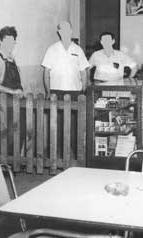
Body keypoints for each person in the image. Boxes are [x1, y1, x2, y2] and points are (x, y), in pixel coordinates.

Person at [42, 21, 90, 158]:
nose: (65, 32)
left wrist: (83, 90)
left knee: (75, 124)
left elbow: (83, 71)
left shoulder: (78, 50)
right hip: (56, 91)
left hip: (75, 91)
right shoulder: (52, 49)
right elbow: (46, 72)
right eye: (62, 30)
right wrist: (48, 92)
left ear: (71, 31)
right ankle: (58, 154)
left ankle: (75, 153)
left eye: (68, 29)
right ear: (59, 32)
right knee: (57, 123)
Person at [0, 26, 25, 155]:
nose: (11, 45)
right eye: (8, 41)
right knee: (6, 135)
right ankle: (3, 168)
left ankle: (13, 165)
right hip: (2, 103)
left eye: (13, 42)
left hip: (17, 102)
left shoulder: (11, 59)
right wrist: (12, 92)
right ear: (0, 41)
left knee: (21, 132)